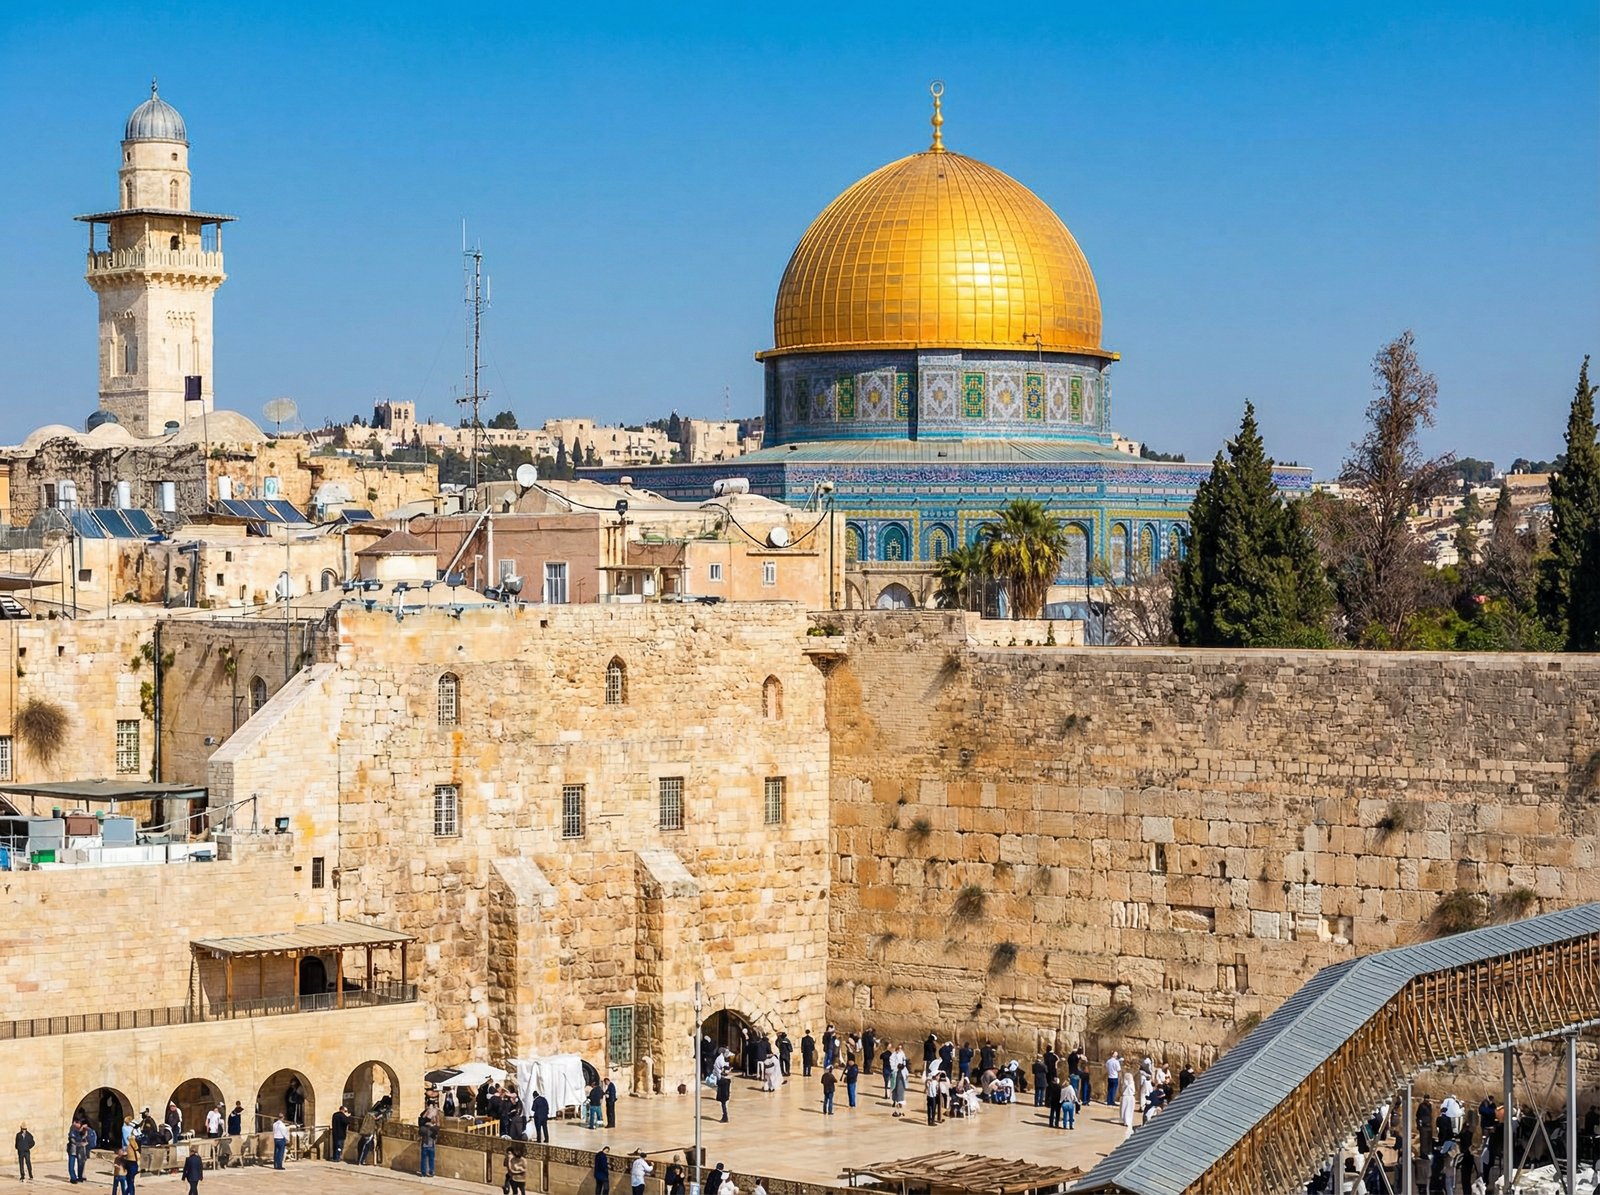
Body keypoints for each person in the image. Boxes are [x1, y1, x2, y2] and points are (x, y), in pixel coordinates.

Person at [418, 1101, 439, 1178]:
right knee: (430, 1160)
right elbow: (437, 1127)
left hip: (425, 1145)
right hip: (430, 1145)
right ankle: (430, 1172)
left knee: (425, 1160)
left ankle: (424, 1173)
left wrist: (427, 1113)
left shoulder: (423, 1128)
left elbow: (421, 1123)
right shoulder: (433, 1128)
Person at [68, 1114, 90, 1184]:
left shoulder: (82, 1129)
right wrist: (80, 1131)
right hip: (73, 1148)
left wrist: (84, 1133)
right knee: (71, 1163)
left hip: (81, 1148)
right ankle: (73, 1178)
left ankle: (80, 1176)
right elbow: (74, 1139)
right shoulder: (73, 1128)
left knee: (81, 1163)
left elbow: (85, 1137)